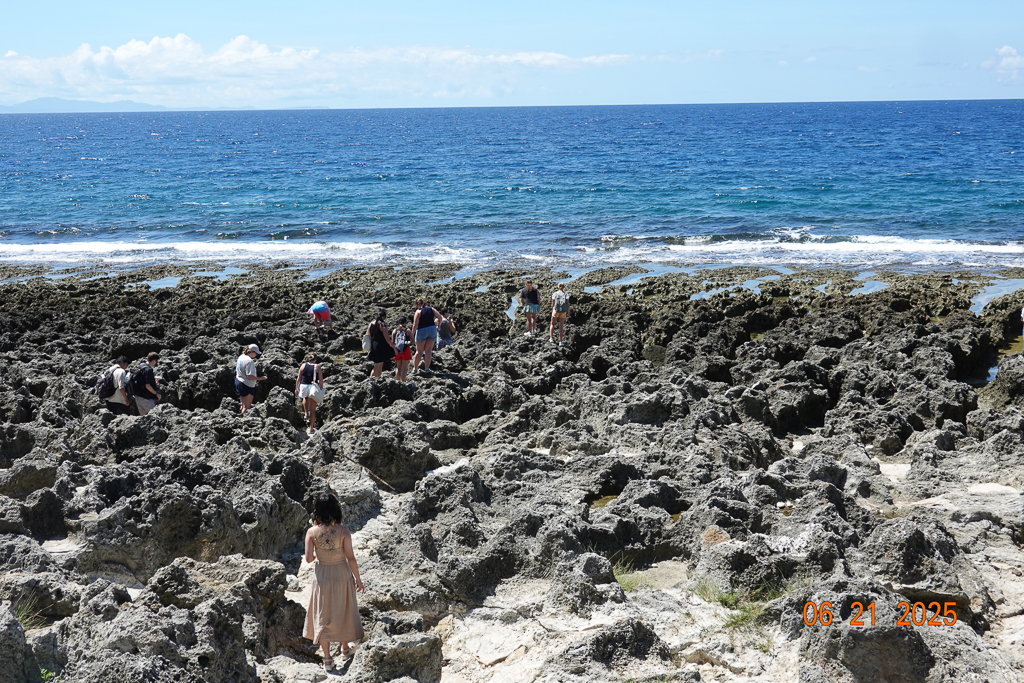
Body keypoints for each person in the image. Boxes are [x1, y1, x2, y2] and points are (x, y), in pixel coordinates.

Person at [304, 492, 364, 670]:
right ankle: (345, 648)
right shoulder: (344, 531)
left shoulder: (311, 532)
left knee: (323, 614)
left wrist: (321, 554)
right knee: (343, 609)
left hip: (323, 575)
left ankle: (327, 659)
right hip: (342, 573)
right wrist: (358, 579)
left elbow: (308, 558)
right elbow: (350, 557)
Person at [295, 352, 324, 435]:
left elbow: (298, 378)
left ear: (308, 358)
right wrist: (321, 388)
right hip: (312, 387)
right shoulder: (317, 366)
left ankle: (306, 414)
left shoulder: (303, 365)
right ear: (315, 359)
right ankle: (311, 429)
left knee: (305, 398)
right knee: (312, 409)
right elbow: (321, 380)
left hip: (303, 386)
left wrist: (296, 388)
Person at [235, 344, 268, 414]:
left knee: (243, 405)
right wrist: (261, 378)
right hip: (246, 385)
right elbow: (249, 376)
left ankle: (240, 417)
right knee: (247, 408)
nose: (256, 355)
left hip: (238, 381)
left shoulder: (241, 356)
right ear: (252, 352)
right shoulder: (249, 361)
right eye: (256, 353)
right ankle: (244, 419)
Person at [411, 298, 439, 374]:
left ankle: (415, 369)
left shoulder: (418, 311)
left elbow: (415, 324)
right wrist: (438, 326)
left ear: (418, 304)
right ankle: (427, 369)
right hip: (432, 329)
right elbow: (440, 317)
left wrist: (412, 334)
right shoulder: (432, 309)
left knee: (419, 351)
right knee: (428, 350)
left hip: (422, 330)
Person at [366, 309, 396, 378]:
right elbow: (387, 339)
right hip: (380, 346)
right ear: (384, 317)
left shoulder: (371, 324)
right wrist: (394, 347)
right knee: (377, 366)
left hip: (373, 345)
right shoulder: (382, 324)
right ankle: (371, 380)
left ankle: (377, 379)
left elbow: (368, 334)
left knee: (380, 364)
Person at [132, 352, 162, 416]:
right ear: (154, 360)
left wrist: (153, 382)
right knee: (154, 415)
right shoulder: (149, 370)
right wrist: (156, 394)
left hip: (137, 396)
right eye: (156, 361)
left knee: (143, 416)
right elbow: (147, 386)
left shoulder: (141, 366)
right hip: (145, 398)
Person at [392, 316, 412, 382]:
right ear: (405, 322)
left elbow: (392, 342)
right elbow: (413, 341)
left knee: (398, 367)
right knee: (404, 368)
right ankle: (403, 382)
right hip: (405, 350)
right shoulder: (408, 331)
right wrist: (405, 342)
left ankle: (398, 381)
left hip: (397, 350)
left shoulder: (395, 331)